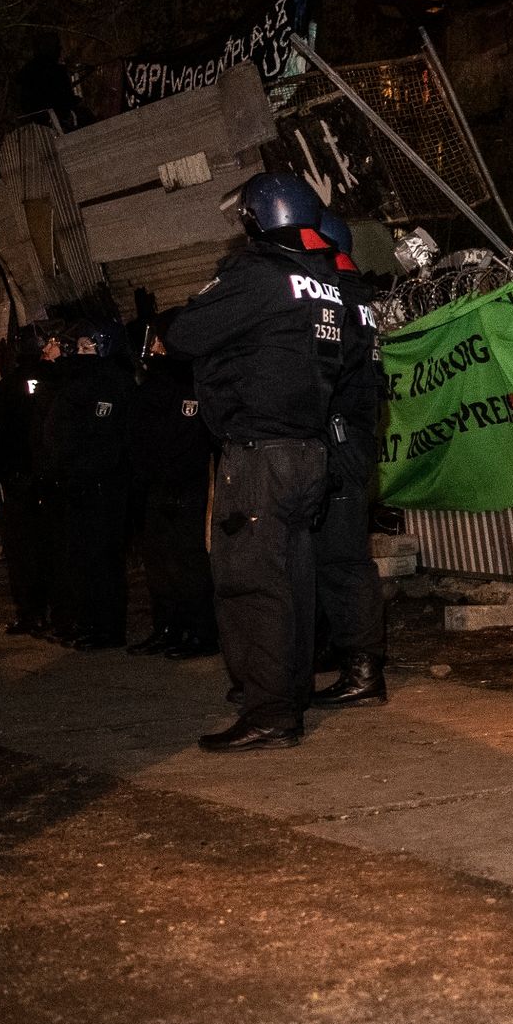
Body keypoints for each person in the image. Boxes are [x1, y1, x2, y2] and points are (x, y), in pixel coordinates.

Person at [167, 173, 348, 752]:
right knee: (293, 579)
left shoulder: (257, 274)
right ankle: (287, 693)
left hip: (260, 456)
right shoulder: (326, 281)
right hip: (309, 451)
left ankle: (269, 712)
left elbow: (185, 334)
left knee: (250, 582)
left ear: (258, 218)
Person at [310, 207, 388, 709]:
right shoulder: (358, 297)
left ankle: (362, 670)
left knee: (342, 561)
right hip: (354, 438)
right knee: (331, 559)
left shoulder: (336, 300)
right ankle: (339, 655)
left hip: (340, 441)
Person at [125, 310, 219, 659]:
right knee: (160, 562)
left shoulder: (191, 381)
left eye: (161, 339)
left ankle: (200, 632)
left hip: (185, 486)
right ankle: (167, 627)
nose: (155, 346)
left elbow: (190, 439)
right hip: (156, 486)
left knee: (188, 564)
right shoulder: (151, 383)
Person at [43, 319, 135, 650]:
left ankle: (106, 628)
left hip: (100, 487)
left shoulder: (110, 384)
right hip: (78, 485)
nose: (79, 354)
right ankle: (89, 622)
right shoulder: (78, 383)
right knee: (82, 559)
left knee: (102, 561)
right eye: (78, 348)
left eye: (87, 348)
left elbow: (104, 440)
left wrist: (84, 472)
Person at [0, 327, 56, 638]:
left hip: (19, 486)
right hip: (53, 485)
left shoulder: (4, 390)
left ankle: (31, 613)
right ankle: (60, 612)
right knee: (54, 549)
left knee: (24, 554)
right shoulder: (58, 383)